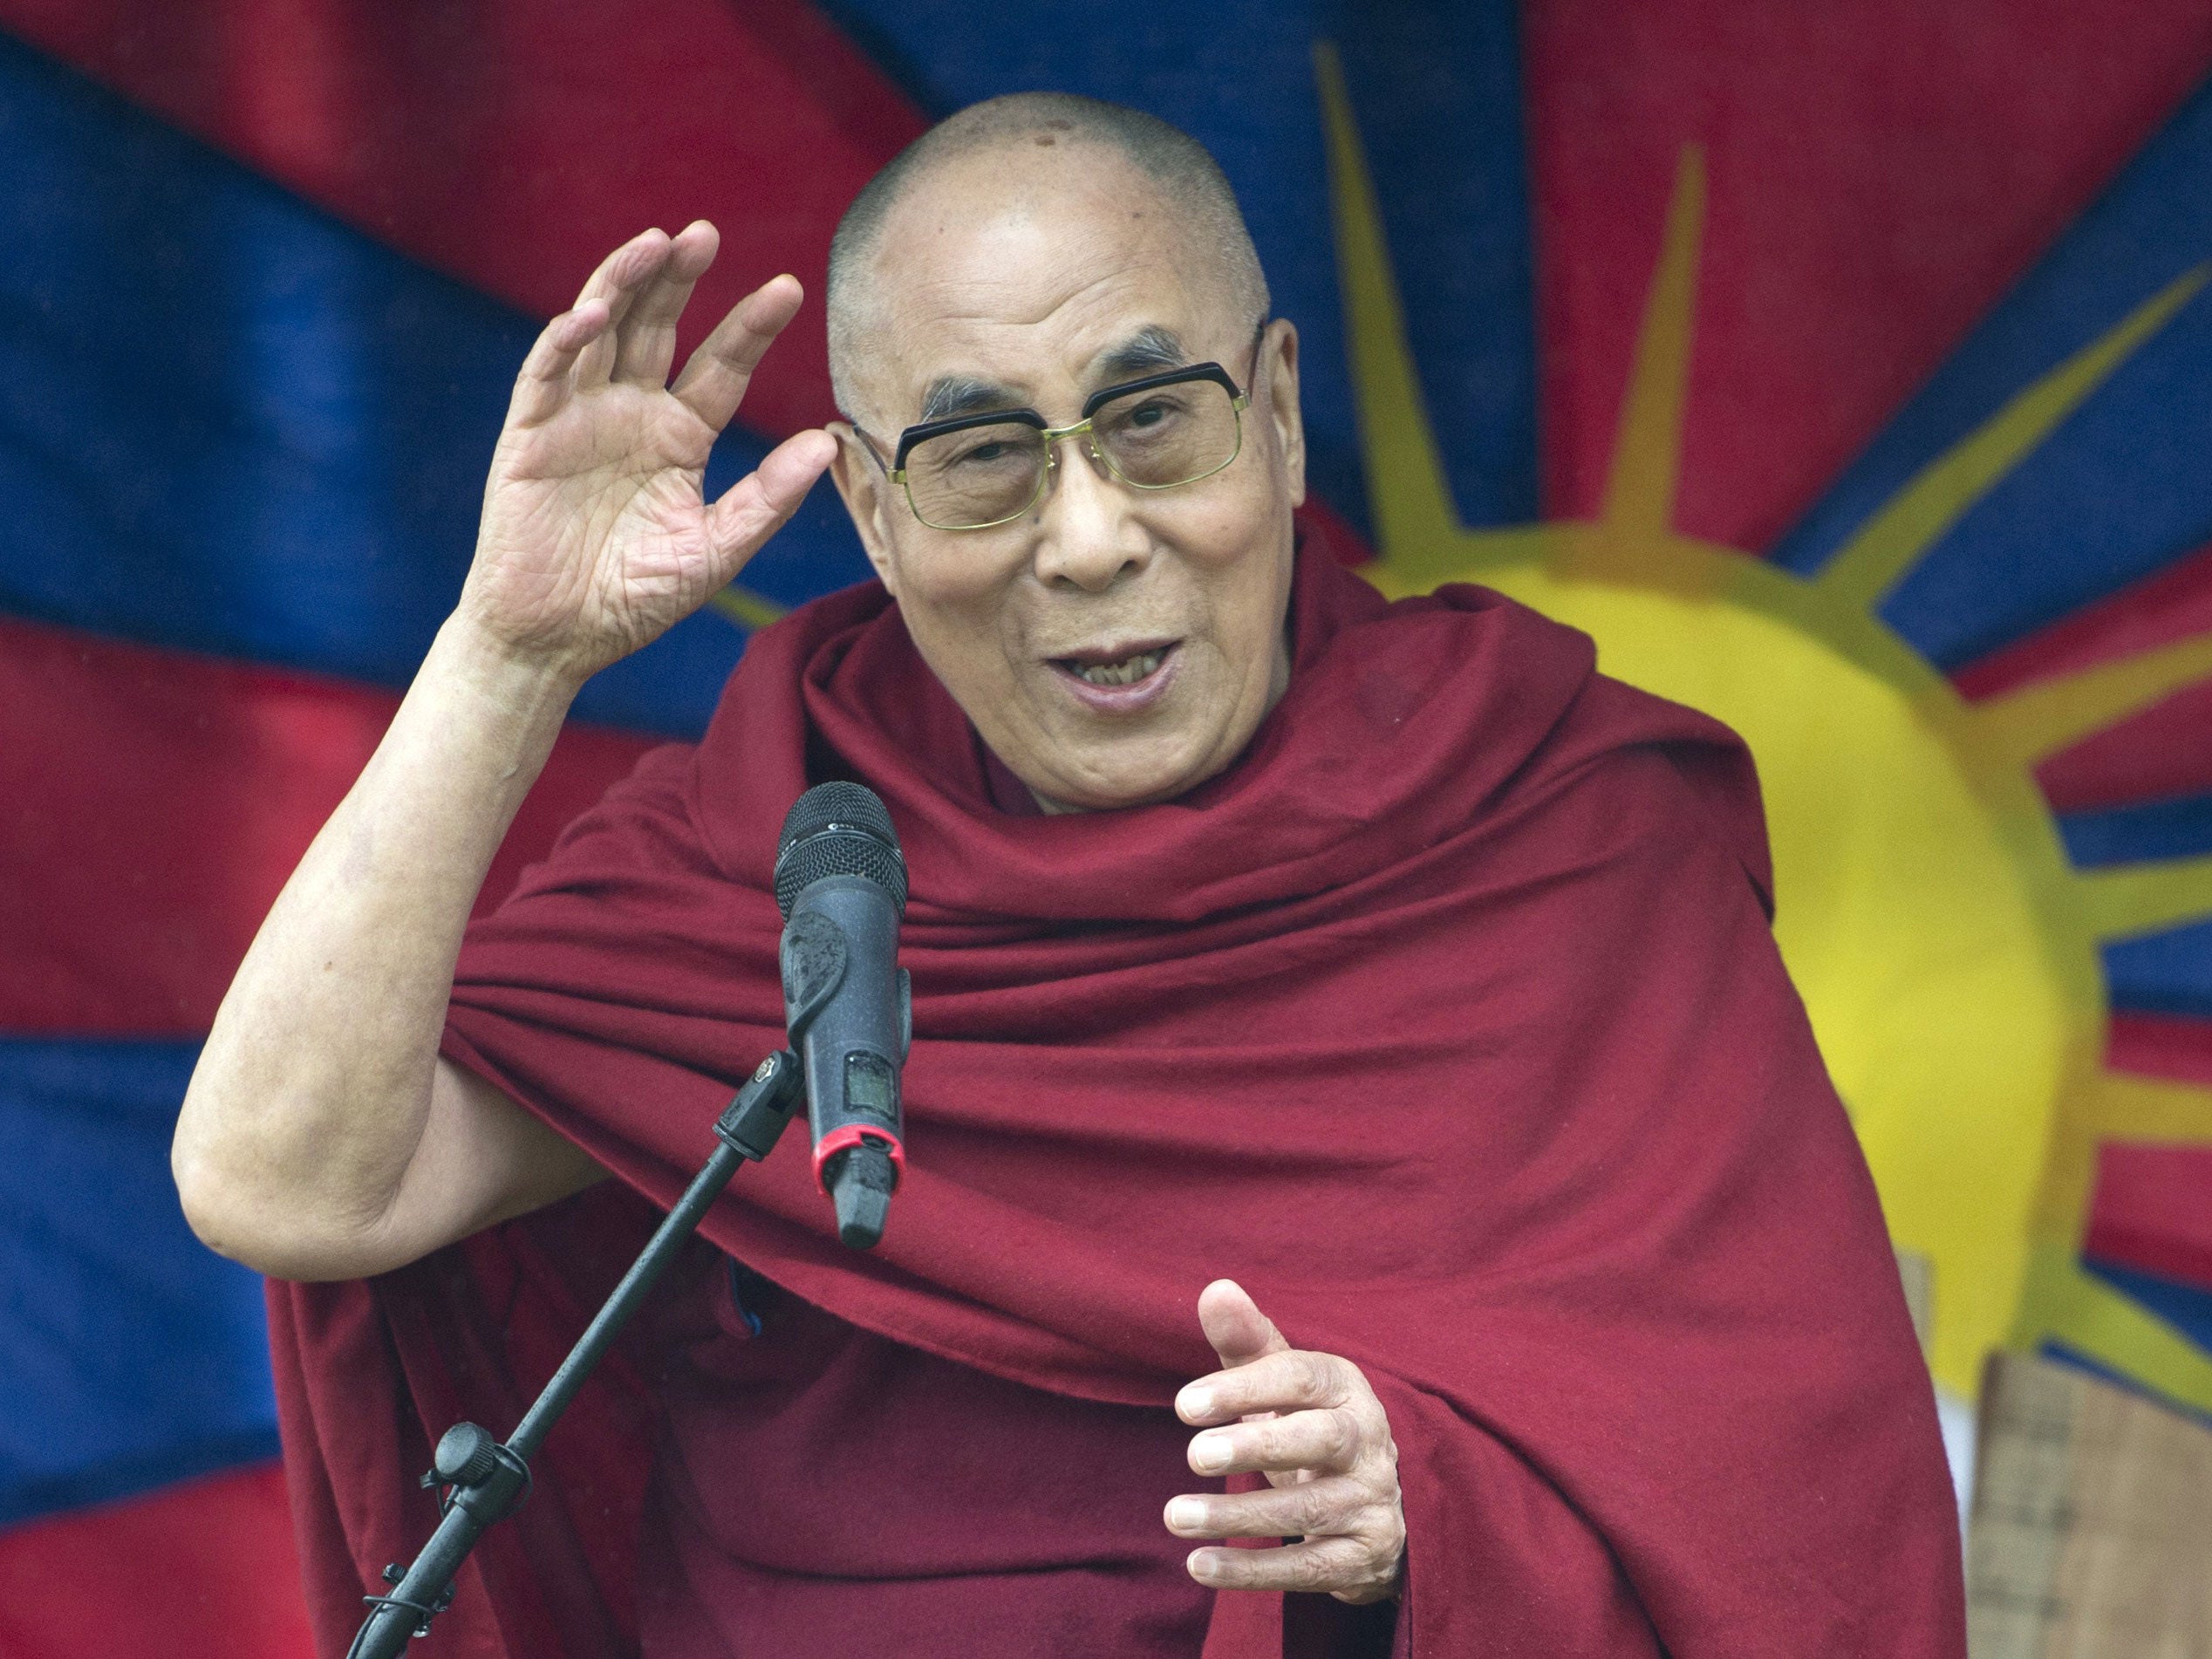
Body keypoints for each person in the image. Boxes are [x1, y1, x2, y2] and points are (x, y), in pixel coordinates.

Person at [173, 94, 1965, 1656]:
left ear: (1271, 413)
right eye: (978, 464)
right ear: (870, 514)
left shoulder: (1550, 833)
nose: (1088, 538)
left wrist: (1431, 1499)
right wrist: (506, 653)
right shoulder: (788, 849)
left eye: (1152, 423)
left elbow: (1787, 1481)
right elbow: (296, 1185)